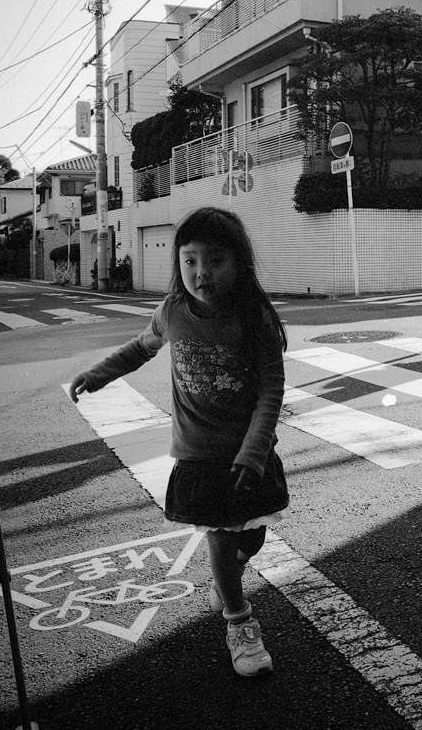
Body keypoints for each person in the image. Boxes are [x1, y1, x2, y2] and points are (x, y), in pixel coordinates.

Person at [69, 207, 288, 676]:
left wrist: (254, 449)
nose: (201, 272)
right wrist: (98, 374)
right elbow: (139, 348)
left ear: (240, 263)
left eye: (215, 260)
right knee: (220, 534)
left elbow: (271, 388)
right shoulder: (173, 311)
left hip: (247, 452)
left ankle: (227, 575)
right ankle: (238, 619)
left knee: (251, 536)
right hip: (198, 454)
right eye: (190, 260)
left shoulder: (255, 319)